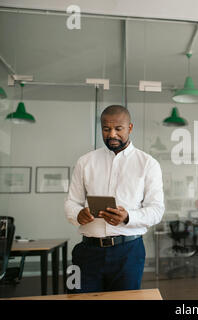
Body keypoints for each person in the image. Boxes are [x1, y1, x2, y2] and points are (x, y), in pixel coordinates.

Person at [64, 105, 164, 293]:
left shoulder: (148, 164)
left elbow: (157, 210)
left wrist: (128, 217)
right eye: (106, 129)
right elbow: (71, 202)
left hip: (128, 253)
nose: (112, 134)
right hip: (87, 252)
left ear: (130, 128)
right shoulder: (85, 162)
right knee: (76, 298)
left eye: (118, 129)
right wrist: (78, 214)